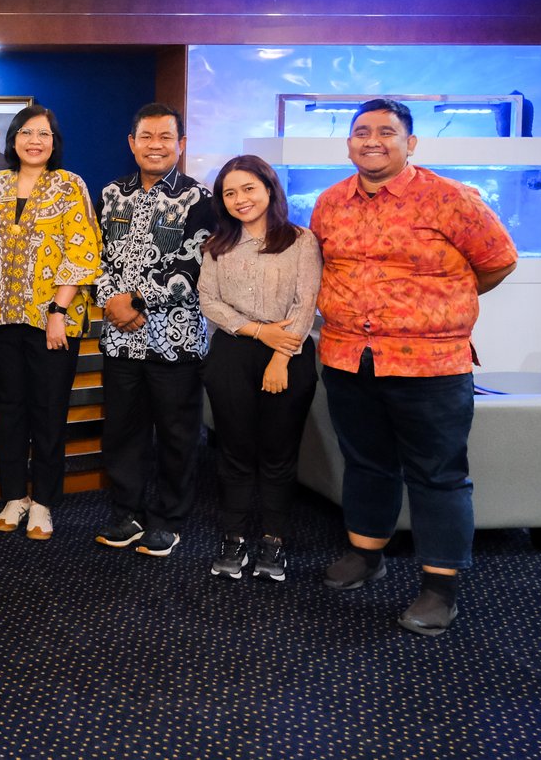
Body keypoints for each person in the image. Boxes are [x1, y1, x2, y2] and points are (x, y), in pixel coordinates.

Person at [312, 98, 516, 636]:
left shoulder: (451, 199)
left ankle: (438, 588)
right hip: (348, 357)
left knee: (439, 476)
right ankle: (365, 555)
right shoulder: (331, 203)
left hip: (431, 364)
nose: (371, 140)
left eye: (386, 131)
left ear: (411, 142)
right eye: (361, 132)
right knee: (366, 463)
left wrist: (435, 307)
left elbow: (497, 261)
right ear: (348, 142)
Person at [94, 103, 216, 558]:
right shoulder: (110, 195)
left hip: (176, 337)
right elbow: (97, 256)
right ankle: (127, 512)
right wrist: (113, 301)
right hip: (120, 338)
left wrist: (138, 301)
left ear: (181, 145)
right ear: (132, 142)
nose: (156, 145)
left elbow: (193, 263)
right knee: (123, 430)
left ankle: (169, 518)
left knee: (177, 431)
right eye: (147, 136)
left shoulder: (199, 198)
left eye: (166, 137)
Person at [0, 104, 101, 540]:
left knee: (48, 411)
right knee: (8, 409)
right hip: (1, 318)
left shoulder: (69, 186)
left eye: (44, 134)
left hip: (52, 321)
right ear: (13, 140)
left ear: (54, 142)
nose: (35, 140)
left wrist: (58, 312)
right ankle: (15, 496)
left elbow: (84, 250)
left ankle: (44, 502)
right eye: (27, 132)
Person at [197, 154, 321, 582]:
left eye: (248, 188)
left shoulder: (301, 240)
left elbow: (307, 303)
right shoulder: (216, 245)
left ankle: (274, 540)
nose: (239, 199)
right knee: (234, 452)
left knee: (278, 454)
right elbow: (208, 302)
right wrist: (256, 331)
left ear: (269, 188)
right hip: (233, 353)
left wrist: (281, 354)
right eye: (229, 193)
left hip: (289, 354)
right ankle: (233, 538)